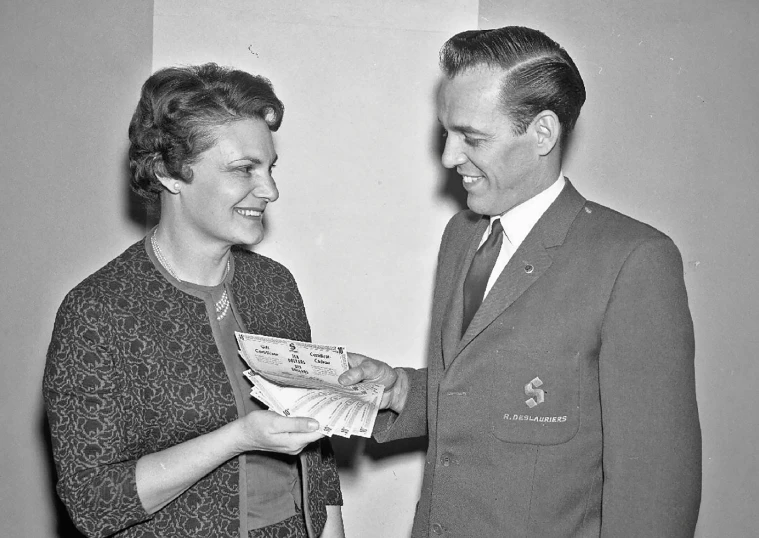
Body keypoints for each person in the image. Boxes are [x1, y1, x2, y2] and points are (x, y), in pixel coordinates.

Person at [339, 26, 701, 537]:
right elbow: (491, 394)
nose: (448, 157)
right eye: (446, 132)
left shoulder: (634, 260)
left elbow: (654, 499)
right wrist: (399, 388)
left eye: (473, 137)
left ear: (543, 134)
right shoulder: (463, 235)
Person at [44, 63, 344, 538]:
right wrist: (239, 438)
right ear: (168, 172)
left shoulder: (275, 285)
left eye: (269, 168)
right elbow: (92, 502)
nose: (270, 190)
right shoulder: (97, 312)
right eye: (244, 169)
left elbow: (316, 448)